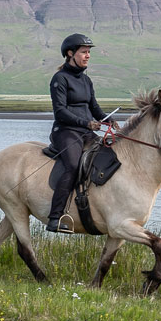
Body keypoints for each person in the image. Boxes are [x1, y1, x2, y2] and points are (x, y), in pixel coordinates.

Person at [45, 33, 117, 232]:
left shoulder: (86, 81)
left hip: (86, 131)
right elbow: (60, 112)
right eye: (84, 52)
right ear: (70, 53)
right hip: (65, 132)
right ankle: (55, 217)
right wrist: (86, 123)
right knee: (74, 166)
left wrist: (106, 119)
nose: (88, 56)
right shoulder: (59, 79)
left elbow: (94, 107)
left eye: (89, 53)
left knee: (108, 157)